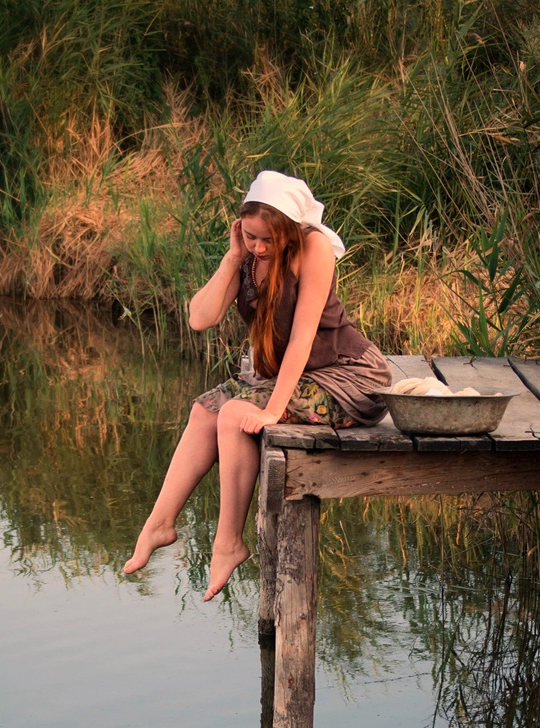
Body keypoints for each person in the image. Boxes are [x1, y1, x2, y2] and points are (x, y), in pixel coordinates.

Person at [124, 171, 392, 601]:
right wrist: (233, 258)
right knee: (204, 410)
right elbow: (199, 317)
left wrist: (270, 411)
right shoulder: (247, 256)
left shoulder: (314, 248)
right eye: (251, 237)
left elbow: (303, 337)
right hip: (302, 374)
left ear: (289, 229)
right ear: (240, 227)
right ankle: (159, 523)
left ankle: (229, 543)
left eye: (269, 239)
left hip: (348, 376)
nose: (260, 247)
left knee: (233, 415)